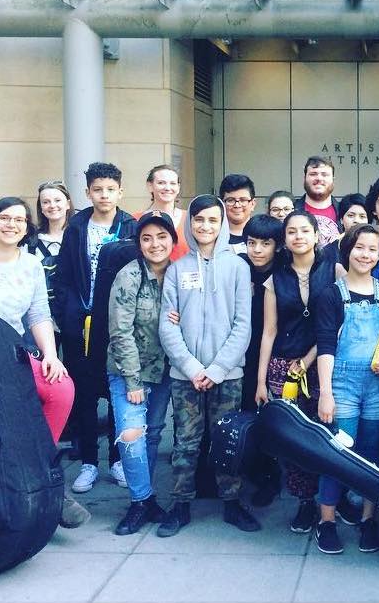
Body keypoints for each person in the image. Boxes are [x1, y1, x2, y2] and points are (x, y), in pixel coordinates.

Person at [0, 197, 85, 528]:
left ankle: (41, 466)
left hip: (12, 350)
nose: (12, 224)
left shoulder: (30, 264)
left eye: (21, 220)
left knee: (60, 389)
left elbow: (38, 312)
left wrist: (51, 356)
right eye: (5, 217)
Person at [157, 195, 258, 537]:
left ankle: (232, 501)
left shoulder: (238, 268)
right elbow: (167, 324)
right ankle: (181, 504)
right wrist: (191, 367)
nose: (205, 226)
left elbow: (243, 325)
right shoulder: (176, 269)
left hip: (227, 374)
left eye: (213, 220)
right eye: (199, 220)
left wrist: (215, 370)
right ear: (190, 223)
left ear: (222, 223)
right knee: (186, 440)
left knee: (226, 439)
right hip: (185, 375)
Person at [314, 224, 379, 555]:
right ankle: (327, 522)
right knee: (339, 454)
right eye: (360, 248)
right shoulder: (331, 294)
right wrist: (325, 392)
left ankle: (368, 519)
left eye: (373, 249)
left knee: (373, 454)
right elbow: (325, 346)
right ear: (347, 251)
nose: (366, 254)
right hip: (342, 385)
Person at [52, 162, 135, 494]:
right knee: (84, 396)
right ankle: (88, 461)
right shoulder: (77, 226)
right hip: (80, 325)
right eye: (97, 189)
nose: (104, 195)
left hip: (116, 325)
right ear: (87, 192)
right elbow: (64, 275)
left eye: (110, 189)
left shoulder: (130, 225)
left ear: (120, 191)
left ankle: (117, 460)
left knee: (117, 393)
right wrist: (67, 312)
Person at [256, 210, 336, 534]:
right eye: (292, 232)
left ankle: (330, 499)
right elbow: (269, 332)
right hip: (283, 367)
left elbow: (335, 326)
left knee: (326, 435)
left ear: (317, 236)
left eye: (305, 230)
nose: (299, 236)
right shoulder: (275, 279)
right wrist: (261, 380)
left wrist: (310, 358)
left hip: (324, 365)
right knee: (295, 441)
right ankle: (305, 502)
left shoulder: (335, 271)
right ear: (285, 240)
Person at [106, 211, 177, 536]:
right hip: (129, 371)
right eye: (147, 238)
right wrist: (133, 381)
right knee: (131, 435)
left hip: (164, 370)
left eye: (162, 237)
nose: (155, 244)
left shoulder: (179, 275)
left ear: (173, 241)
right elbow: (120, 333)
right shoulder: (129, 276)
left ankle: (145, 499)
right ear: (139, 243)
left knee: (152, 434)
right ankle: (140, 501)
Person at [240, 214, 285, 507]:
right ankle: (248, 470)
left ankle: (270, 477)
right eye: (251, 243)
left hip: (273, 353)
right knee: (245, 413)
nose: (257, 250)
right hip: (241, 353)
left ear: (277, 246)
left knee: (270, 417)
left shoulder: (283, 274)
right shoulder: (239, 268)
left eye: (265, 244)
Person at [28, 180, 75, 332]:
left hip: (73, 315)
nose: (52, 205)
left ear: (68, 204)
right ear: (40, 208)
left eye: (57, 200)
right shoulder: (30, 241)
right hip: (39, 316)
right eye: (46, 202)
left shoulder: (80, 236)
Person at [137, 165, 188, 261]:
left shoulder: (190, 218)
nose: (168, 188)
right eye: (161, 183)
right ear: (150, 186)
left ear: (178, 187)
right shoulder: (135, 220)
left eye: (173, 183)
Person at [297, 156, 341, 246]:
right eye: (313, 174)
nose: (319, 179)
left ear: (333, 179)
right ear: (304, 178)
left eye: (324, 174)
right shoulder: (291, 210)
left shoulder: (345, 212)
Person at [319, 192, 368, 269]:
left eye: (362, 216)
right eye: (351, 215)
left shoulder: (375, 247)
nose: (356, 220)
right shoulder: (328, 252)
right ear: (341, 219)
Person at [219, 173, 257, 254]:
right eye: (230, 200)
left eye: (243, 200)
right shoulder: (214, 236)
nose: (237, 205)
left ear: (253, 204)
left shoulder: (262, 234)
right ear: (222, 204)